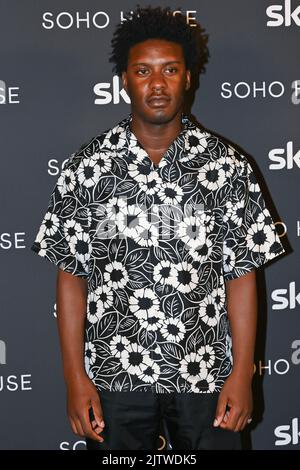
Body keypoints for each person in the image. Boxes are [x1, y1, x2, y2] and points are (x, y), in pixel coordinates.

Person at [30, 6, 286, 450]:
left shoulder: (227, 167)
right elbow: (71, 277)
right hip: (113, 377)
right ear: (125, 80)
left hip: (205, 376)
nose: (157, 84)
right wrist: (75, 378)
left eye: (170, 69)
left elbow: (242, 277)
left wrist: (242, 375)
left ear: (188, 77)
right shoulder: (88, 168)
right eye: (143, 71)